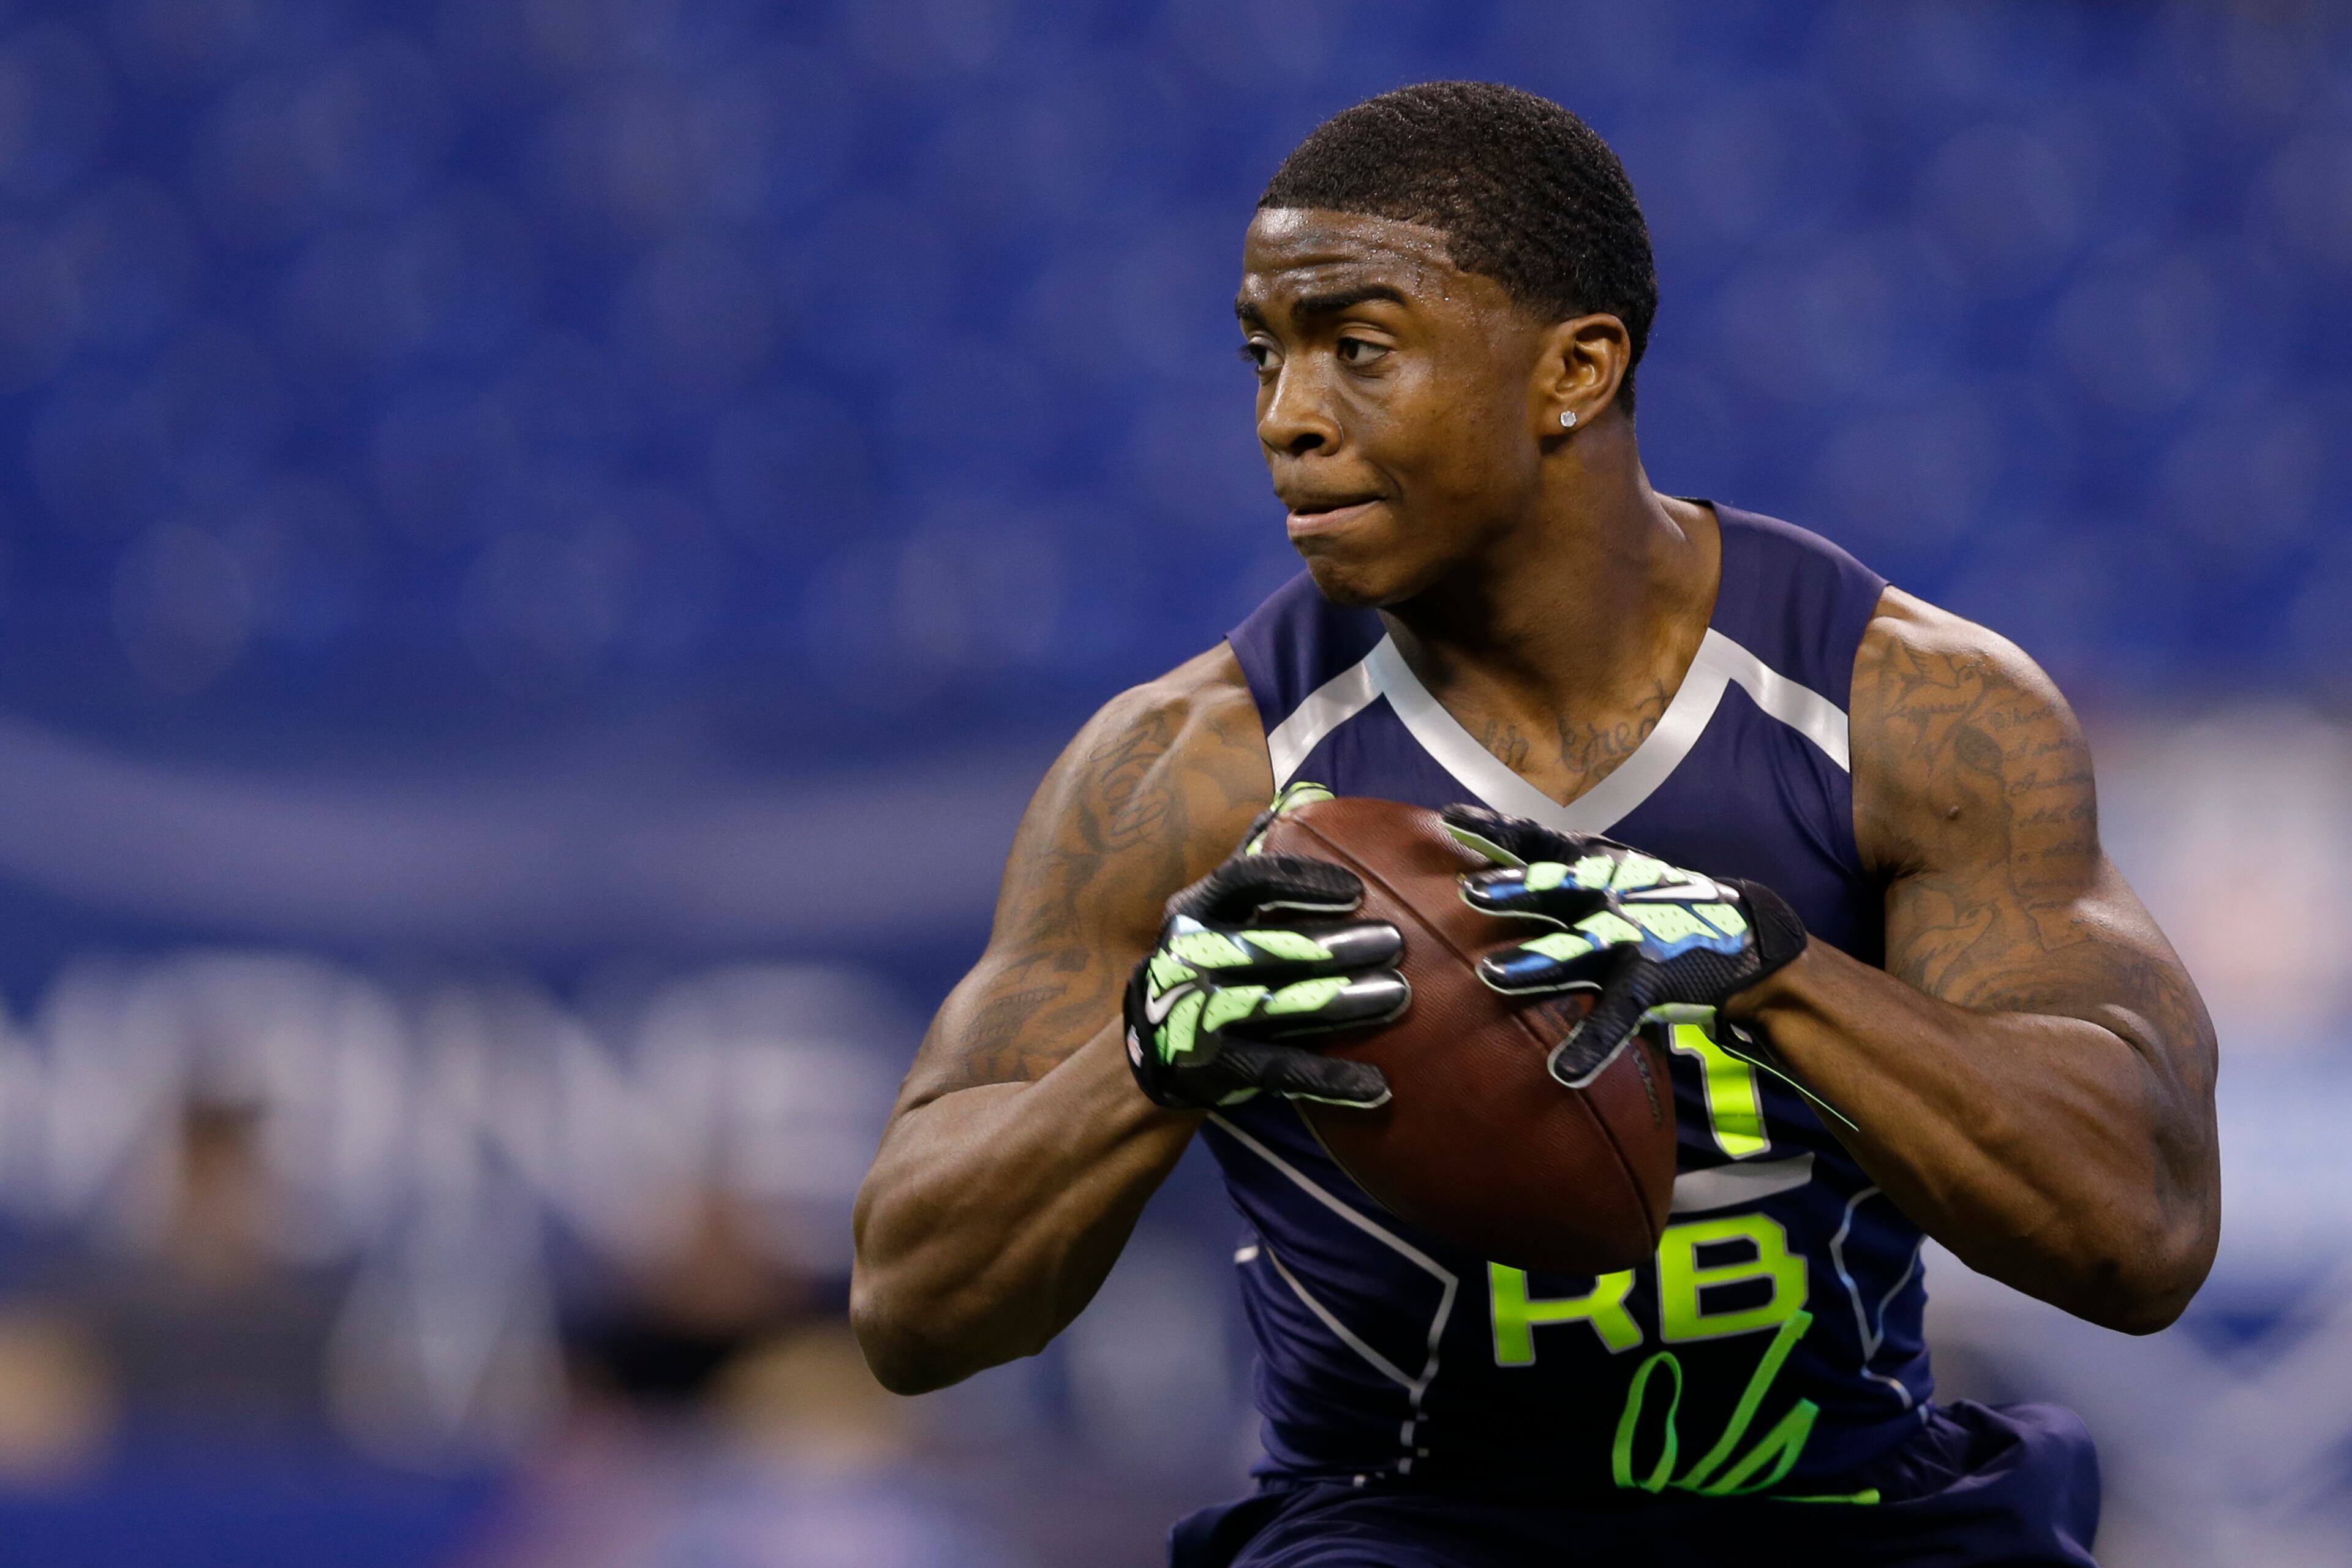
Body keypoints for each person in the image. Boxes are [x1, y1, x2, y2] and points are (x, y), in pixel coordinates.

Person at [850, 81, 2218, 1566]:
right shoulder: (1181, 770)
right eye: (1264, 355)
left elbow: (2136, 1232)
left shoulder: (1909, 710)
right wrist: (1140, 1060)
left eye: (1358, 351)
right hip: (1405, 1527)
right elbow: (912, 1308)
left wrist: (1778, 972)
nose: (1287, 419)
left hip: (1846, 1509)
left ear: (1575, 369)